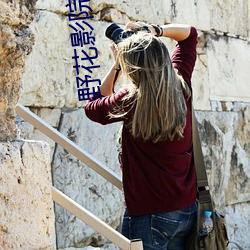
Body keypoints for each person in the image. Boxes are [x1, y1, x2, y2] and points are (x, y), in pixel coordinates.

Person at [85, 21, 198, 250]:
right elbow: (189, 35)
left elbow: (93, 107)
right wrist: (154, 30)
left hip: (148, 216)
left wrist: (117, 64)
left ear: (132, 68)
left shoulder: (130, 100)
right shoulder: (181, 85)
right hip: (186, 209)